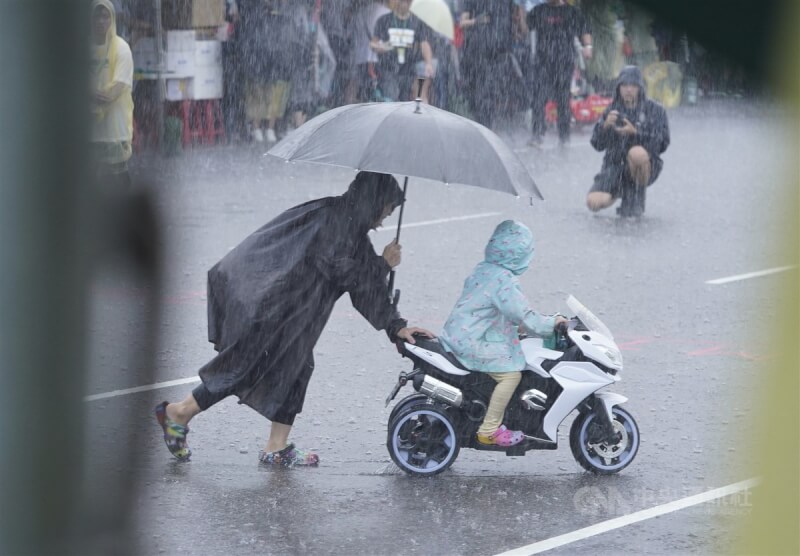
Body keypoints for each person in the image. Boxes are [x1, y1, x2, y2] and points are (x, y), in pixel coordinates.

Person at [155, 172, 435, 467]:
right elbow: (340, 270)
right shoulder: (335, 220)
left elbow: (365, 289)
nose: (383, 221)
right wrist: (382, 264)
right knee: (243, 366)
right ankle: (180, 412)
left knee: (296, 368)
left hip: (292, 317)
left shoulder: (350, 226)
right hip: (275, 309)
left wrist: (396, 326)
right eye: (386, 211)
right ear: (374, 202)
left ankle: (276, 446)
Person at [439, 221, 566, 447]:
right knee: (511, 375)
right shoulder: (503, 280)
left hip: (461, 334)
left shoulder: (484, 268)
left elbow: (487, 308)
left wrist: (514, 327)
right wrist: (551, 323)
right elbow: (522, 313)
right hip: (472, 340)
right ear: (519, 255)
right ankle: (489, 430)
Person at [586, 65, 670, 218]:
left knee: (636, 153)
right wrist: (605, 127)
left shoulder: (655, 110)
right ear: (618, 88)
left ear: (640, 88)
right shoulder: (612, 109)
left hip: (645, 164)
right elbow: (596, 144)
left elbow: (662, 144)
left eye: (633, 85)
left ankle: (635, 195)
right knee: (593, 202)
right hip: (615, 166)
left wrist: (635, 134)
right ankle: (619, 190)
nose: (628, 89)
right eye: (624, 85)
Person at [526, 0, 592, 147]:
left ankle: (564, 137)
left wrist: (587, 46)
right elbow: (525, 27)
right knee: (538, 98)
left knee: (563, 100)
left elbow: (584, 30)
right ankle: (537, 134)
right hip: (542, 61)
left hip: (564, 62)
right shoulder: (538, 11)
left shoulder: (572, 12)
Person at [91, 0, 134, 188]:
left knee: (119, 182)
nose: (101, 21)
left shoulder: (122, 49)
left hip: (115, 132)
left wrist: (89, 96)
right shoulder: (83, 49)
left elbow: (117, 88)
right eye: (97, 16)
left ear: (112, 19)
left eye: (105, 16)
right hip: (89, 133)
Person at [459, 0, 520, 127]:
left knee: (488, 93)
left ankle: (486, 125)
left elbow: (515, 20)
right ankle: (481, 124)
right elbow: (462, 23)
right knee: (476, 93)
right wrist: (477, 21)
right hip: (475, 54)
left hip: (497, 55)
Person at [371, 0, 434, 102]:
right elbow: (373, 43)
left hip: (408, 69)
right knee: (390, 98)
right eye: (402, 1)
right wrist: (379, 47)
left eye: (408, 1)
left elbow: (424, 44)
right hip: (387, 68)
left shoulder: (416, 22)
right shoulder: (384, 20)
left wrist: (429, 63)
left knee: (405, 101)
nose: (404, 3)